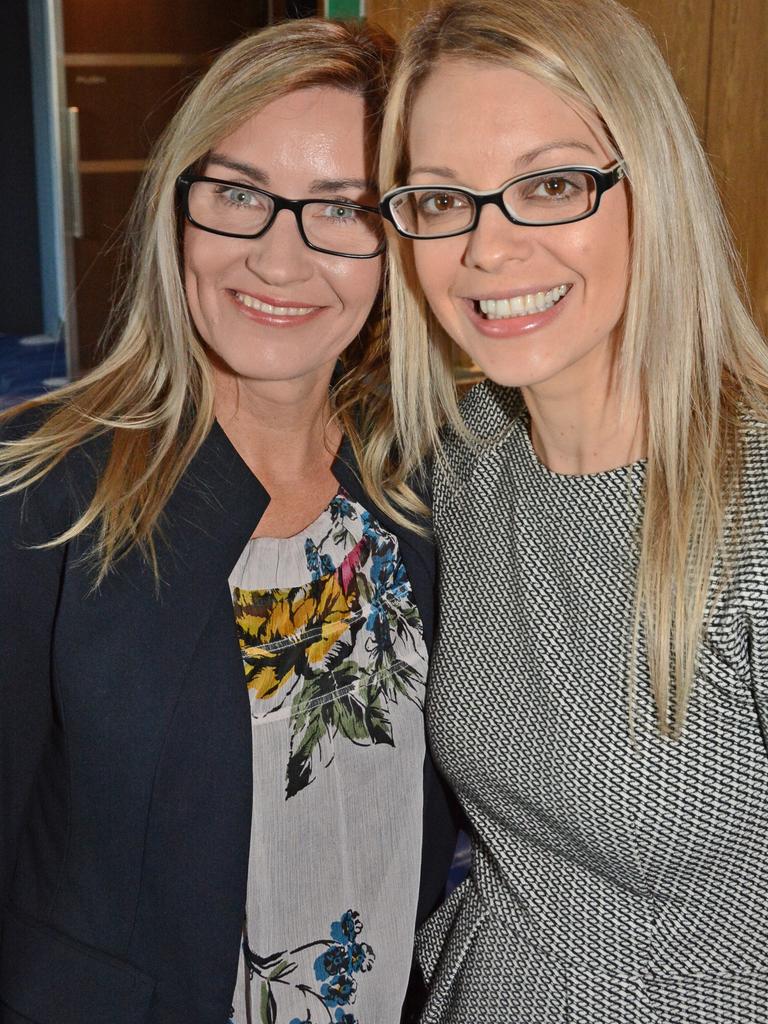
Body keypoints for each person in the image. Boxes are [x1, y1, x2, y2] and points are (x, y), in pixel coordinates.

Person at [0, 18, 458, 1024]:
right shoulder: (41, 491)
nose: (279, 261)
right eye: (242, 194)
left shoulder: (420, 483)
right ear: (181, 208)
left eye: (342, 211)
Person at [377, 0, 768, 1020]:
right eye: (442, 199)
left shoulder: (753, 508)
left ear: (654, 189)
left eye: (549, 185)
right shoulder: (468, 460)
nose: (488, 250)